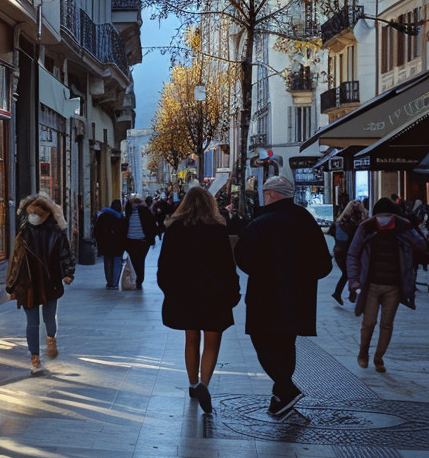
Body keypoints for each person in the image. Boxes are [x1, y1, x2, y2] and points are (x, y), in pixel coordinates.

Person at [234, 174, 332, 418]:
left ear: (270, 195)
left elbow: (244, 259)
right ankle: (282, 395)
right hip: (298, 299)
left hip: (264, 297)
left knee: (262, 341)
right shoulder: (306, 221)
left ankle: (285, 390)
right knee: (286, 344)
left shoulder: (261, 223)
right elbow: (323, 265)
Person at [156, 186, 240, 414]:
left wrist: (169, 290)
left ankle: (193, 384)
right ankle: (204, 383)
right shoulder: (217, 229)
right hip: (215, 293)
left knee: (191, 339)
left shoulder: (175, 229)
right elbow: (227, 264)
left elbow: (164, 265)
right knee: (212, 342)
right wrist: (234, 291)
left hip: (185, 294)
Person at [345, 197, 427, 372]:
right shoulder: (366, 228)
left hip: (394, 287)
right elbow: (353, 255)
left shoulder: (401, 227)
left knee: (386, 323)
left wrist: (406, 228)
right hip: (371, 285)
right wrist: (354, 279)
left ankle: (378, 358)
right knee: (369, 322)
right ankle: (363, 353)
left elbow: (422, 246)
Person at [6, 193, 75, 374]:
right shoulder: (24, 231)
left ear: (46, 214)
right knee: (32, 323)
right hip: (28, 282)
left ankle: (51, 339)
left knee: (49, 318)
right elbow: (16, 260)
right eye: (30, 213)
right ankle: (35, 358)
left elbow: (65, 254)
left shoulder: (56, 233)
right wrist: (11, 285)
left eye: (36, 213)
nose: (33, 217)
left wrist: (68, 273)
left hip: (49, 280)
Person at [330, 198, 367, 306]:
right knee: (350, 273)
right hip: (346, 252)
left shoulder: (341, 220)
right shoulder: (352, 222)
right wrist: (363, 213)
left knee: (348, 273)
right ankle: (351, 295)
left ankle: (345, 294)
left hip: (339, 251)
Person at [123, 194, 157, 289]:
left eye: (137, 202)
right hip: (131, 241)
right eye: (133, 202)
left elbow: (151, 224)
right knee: (135, 261)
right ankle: (137, 279)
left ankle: (139, 280)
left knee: (140, 261)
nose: (134, 204)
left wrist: (151, 238)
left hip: (142, 241)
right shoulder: (128, 213)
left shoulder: (144, 212)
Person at [94, 199, 126, 289]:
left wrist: (100, 242)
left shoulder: (103, 216)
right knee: (116, 262)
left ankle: (109, 282)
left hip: (106, 244)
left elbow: (96, 231)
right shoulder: (120, 218)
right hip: (118, 245)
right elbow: (124, 232)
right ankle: (115, 283)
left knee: (108, 262)